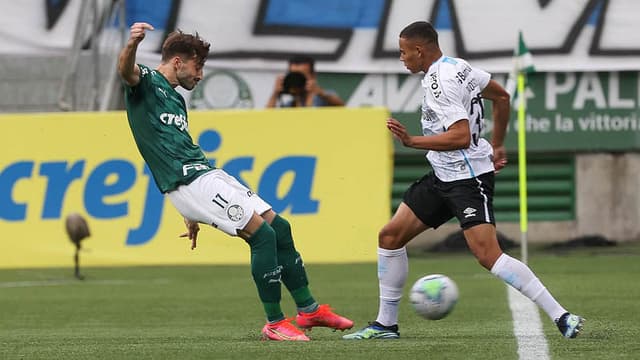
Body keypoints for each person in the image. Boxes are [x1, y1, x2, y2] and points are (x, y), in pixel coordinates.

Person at [343, 21, 584, 340]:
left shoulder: (438, 83)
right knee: (390, 236)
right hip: (442, 174)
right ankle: (386, 324)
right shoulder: (459, 66)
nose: (401, 59)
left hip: (467, 179)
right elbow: (502, 97)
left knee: (489, 256)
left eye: (403, 52)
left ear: (419, 50)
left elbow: (460, 136)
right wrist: (497, 143)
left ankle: (562, 316)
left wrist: (413, 142)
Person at [117, 22, 353, 341]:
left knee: (279, 228)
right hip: (191, 183)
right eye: (198, 67)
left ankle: (309, 311)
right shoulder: (145, 81)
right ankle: (274, 323)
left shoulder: (177, 101)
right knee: (262, 236)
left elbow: (170, 148)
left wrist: (188, 212)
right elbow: (125, 70)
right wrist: (132, 43)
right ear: (178, 61)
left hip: (204, 175)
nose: (200, 75)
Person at [266, 55, 344, 108]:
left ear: (313, 76)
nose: (297, 80)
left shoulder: (325, 98)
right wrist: (275, 94)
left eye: (301, 76)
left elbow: (341, 106)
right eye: (294, 75)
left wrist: (319, 93)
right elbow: (266, 119)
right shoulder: (289, 104)